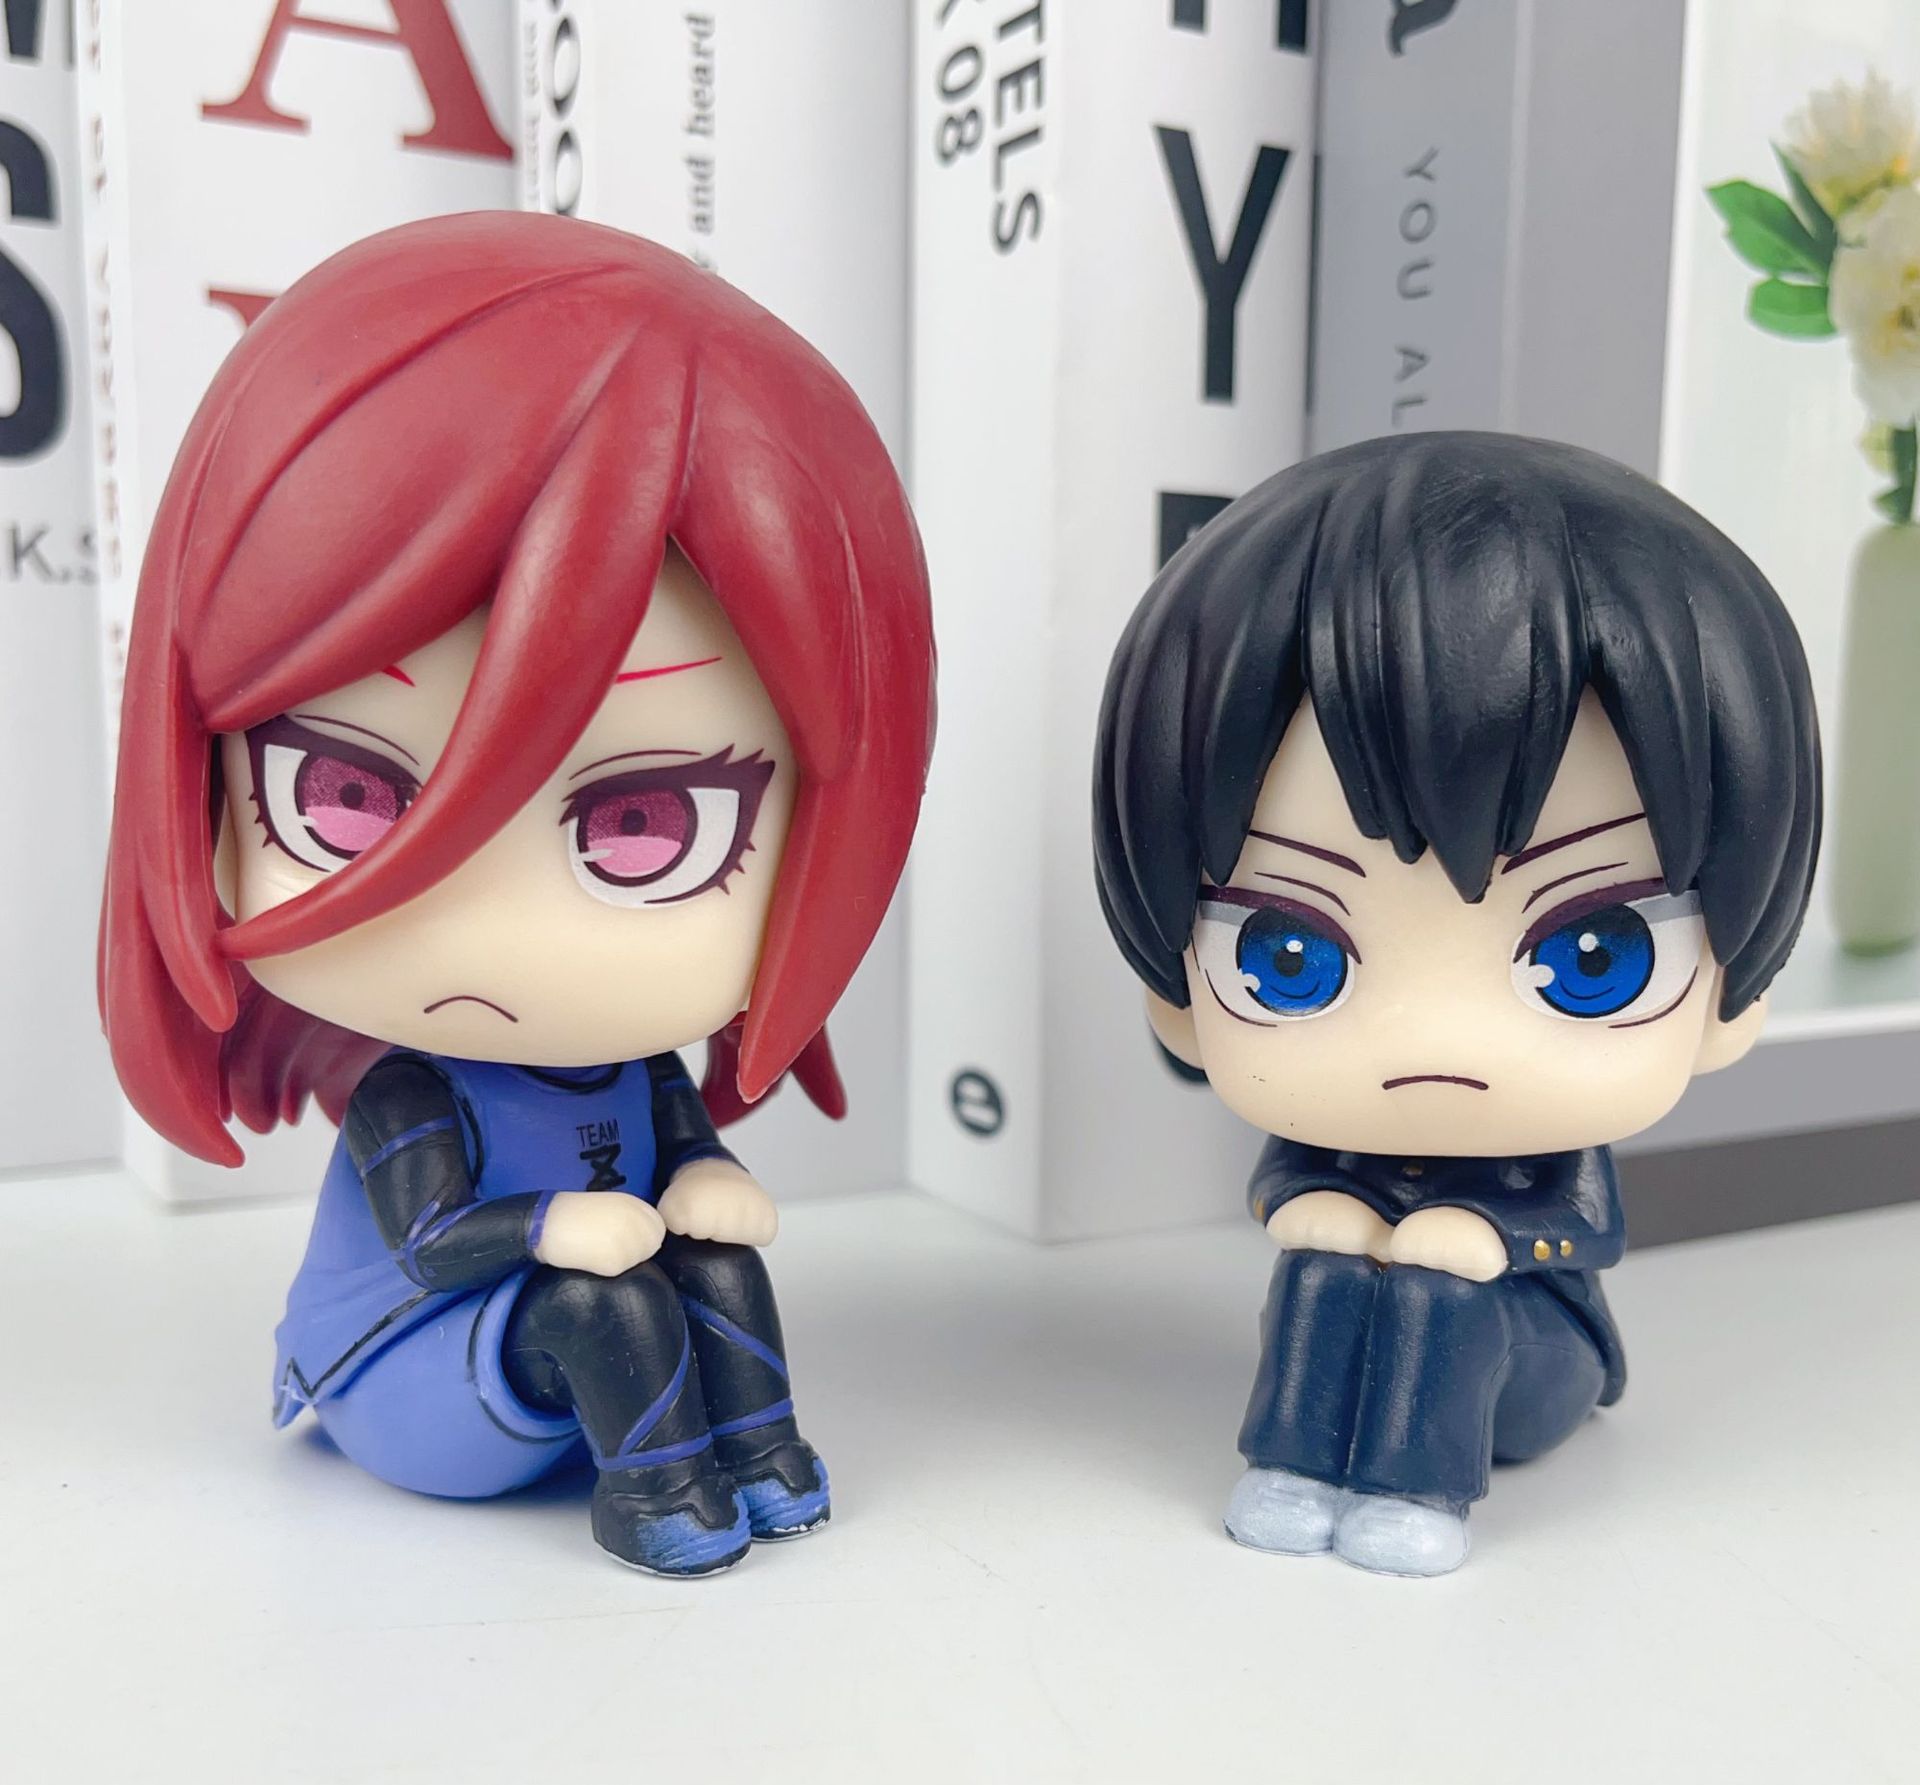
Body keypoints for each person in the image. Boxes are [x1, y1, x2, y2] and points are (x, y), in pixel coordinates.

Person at [99, 213, 936, 1578]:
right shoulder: (410, 1095)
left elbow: (684, 1159)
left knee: (713, 1269)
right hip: (411, 1369)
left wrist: (707, 1176)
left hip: (568, 1346)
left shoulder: (639, 1070)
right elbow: (432, 1243)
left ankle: (763, 1460)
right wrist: (555, 1227)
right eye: (345, 795)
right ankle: (658, 1500)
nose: (485, 927)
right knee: (606, 1307)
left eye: (648, 826)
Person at [1092, 431, 1820, 1575]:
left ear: (1732, 993)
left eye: (1597, 955)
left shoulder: (1547, 1156)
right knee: (1320, 1270)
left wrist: (1484, 1236)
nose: (1435, 1042)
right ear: (1176, 992)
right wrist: (1312, 1206)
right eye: (1291, 956)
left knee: (1438, 1294)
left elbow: (1585, 1227)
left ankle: (1415, 1492)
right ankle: (1292, 1468)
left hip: (1529, 1349)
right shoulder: (1333, 1132)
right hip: (1362, 1320)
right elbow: (1289, 1180)